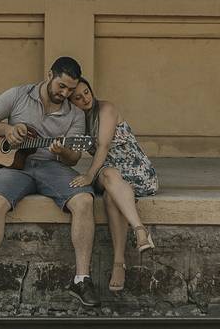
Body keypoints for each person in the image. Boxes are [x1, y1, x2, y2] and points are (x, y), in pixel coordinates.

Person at [0, 57, 101, 307]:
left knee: (84, 199)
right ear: (49, 75)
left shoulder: (75, 114)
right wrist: (6, 131)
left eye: (71, 89)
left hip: (51, 167)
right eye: (61, 86)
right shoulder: (18, 94)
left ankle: (82, 279)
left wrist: (62, 151)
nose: (66, 93)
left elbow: (74, 157)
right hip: (14, 167)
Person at [69, 77, 159, 292]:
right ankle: (140, 233)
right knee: (110, 176)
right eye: (78, 98)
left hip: (137, 171)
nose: (85, 99)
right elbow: (72, 153)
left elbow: (104, 146)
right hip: (108, 172)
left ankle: (120, 261)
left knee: (111, 196)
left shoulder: (106, 109)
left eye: (86, 92)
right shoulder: (77, 121)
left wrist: (89, 175)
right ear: (71, 102)